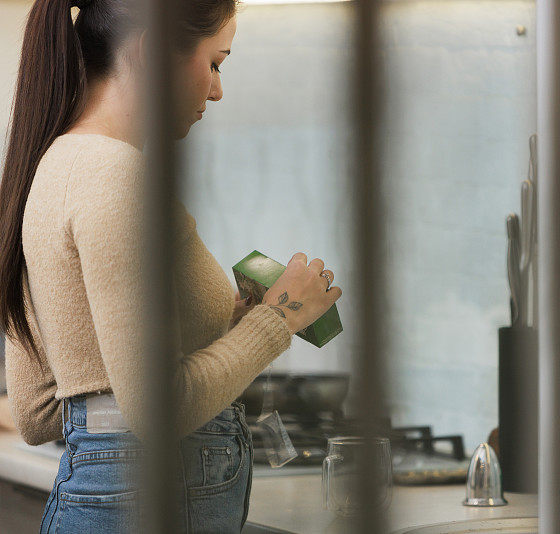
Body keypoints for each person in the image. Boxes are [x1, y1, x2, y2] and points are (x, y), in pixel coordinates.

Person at [0, 0, 342, 531]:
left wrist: (224, 324)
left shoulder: (49, 169)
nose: (217, 90)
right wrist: (279, 318)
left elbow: (37, 410)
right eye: (215, 63)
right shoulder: (119, 179)